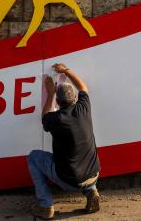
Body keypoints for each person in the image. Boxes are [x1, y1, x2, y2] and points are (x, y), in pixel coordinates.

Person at [27, 63, 101, 219]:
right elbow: (83, 87)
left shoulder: (55, 119)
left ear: (58, 103)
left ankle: (45, 205)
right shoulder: (83, 108)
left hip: (68, 181)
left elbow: (44, 117)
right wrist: (66, 71)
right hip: (94, 174)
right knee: (82, 158)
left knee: (33, 157)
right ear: (75, 98)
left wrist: (50, 94)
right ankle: (91, 191)